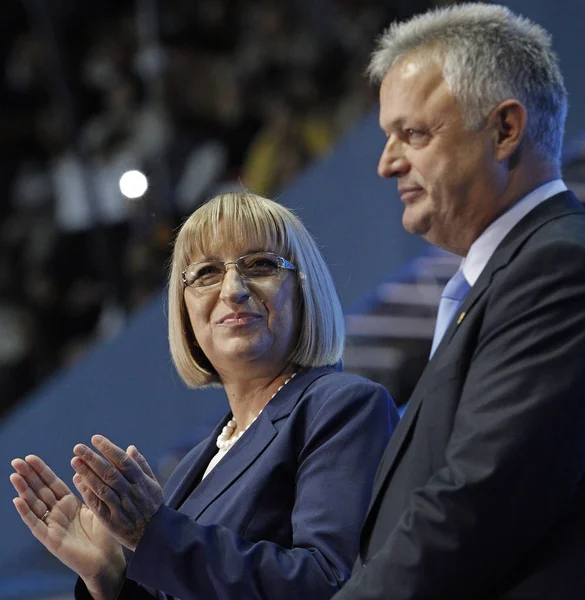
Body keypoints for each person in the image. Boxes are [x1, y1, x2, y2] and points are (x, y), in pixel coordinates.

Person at [10, 192, 398, 600]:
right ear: (184, 309)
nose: (233, 289)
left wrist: (153, 533)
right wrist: (111, 580)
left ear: (305, 291)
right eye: (207, 272)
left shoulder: (344, 407)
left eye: (260, 265)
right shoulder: (196, 464)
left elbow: (329, 583)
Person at [333, 4, 585, 599]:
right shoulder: (504, 277)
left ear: (504, 130)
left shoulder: (557, 266)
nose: (386, 162)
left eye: (413, 134)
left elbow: (478, 497)